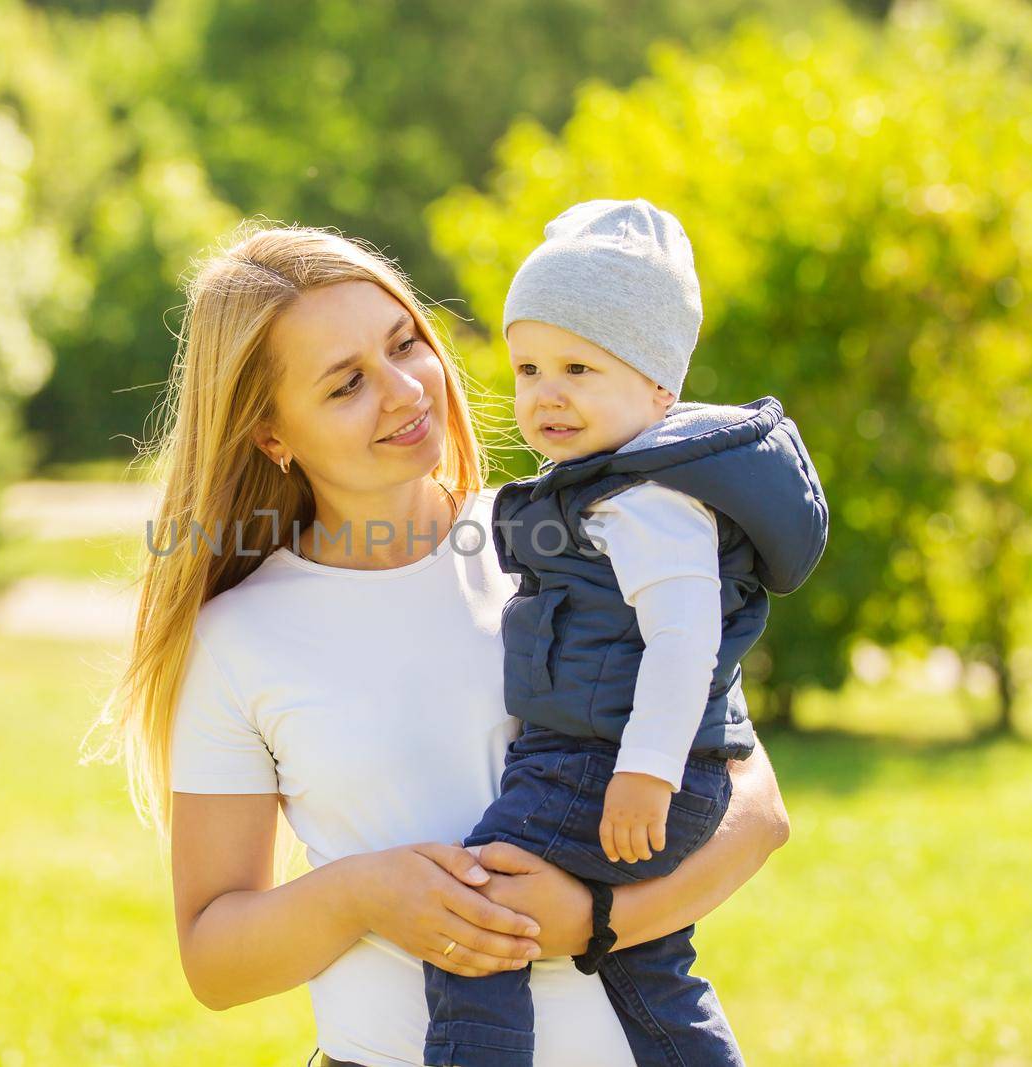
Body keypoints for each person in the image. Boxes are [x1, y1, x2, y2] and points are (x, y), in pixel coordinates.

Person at [88, 221, 794, 1067]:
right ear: (271, 436)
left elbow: (754, 806)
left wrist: (593, 920)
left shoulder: (579, 536)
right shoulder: (240, 637)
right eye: (346, 384)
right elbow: (215, 956)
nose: (403, 391)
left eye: (405, 343)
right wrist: (361, 895)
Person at [420, 199, 829, 1066]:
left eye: (578, 365)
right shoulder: (596, 486)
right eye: (528, 368)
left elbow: (688, 641)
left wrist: (644, 773)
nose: (547, 393)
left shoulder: (647, 501)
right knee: (648, 968)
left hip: (613, 767)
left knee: (474, 917)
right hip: (599, 759)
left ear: (658, 387)